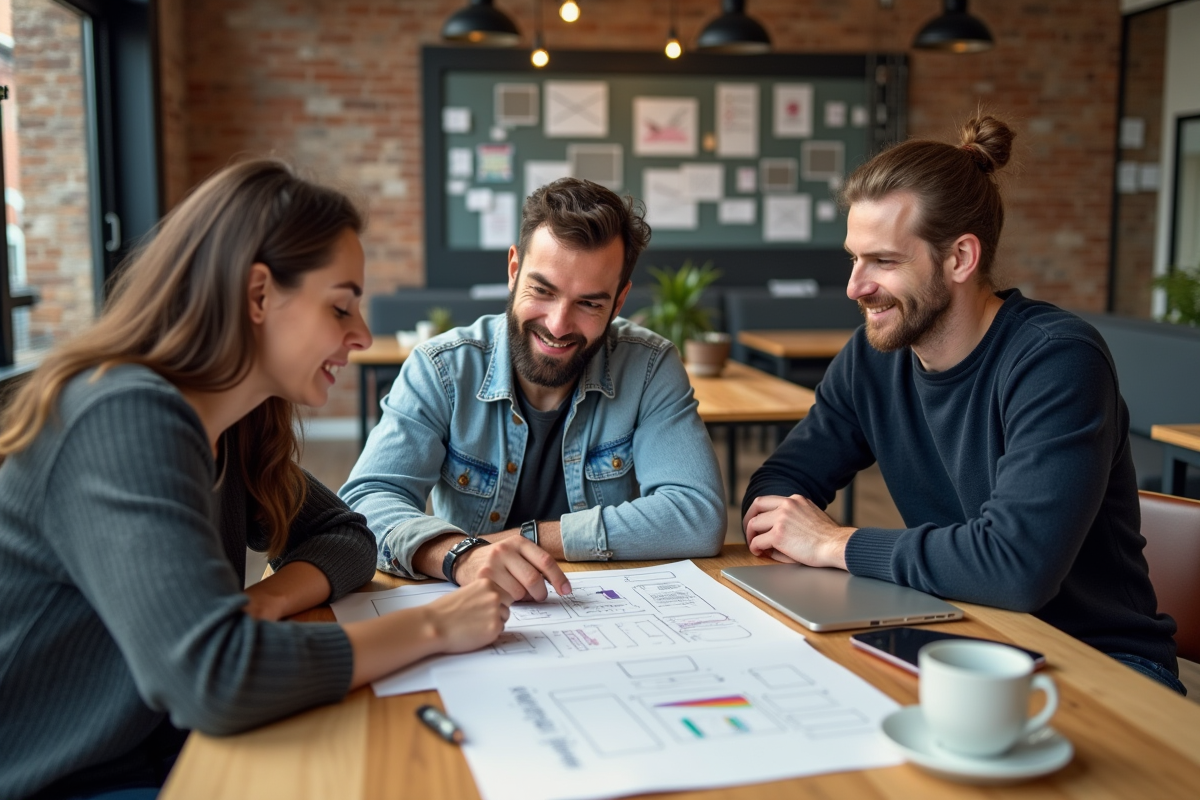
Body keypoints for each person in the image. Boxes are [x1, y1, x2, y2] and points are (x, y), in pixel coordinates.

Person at [0, 160, 513, 800]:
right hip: (62, 779)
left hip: (154, 749)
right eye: (341, 306)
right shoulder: (121, 417)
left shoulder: (231, 426)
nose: (362, 334)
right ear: (259, 294)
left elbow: (345, 532)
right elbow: (215, 677)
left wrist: (266, 602)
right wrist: (435, 627)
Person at [741, 115, 1183, 694]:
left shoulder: (1056, 361)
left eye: (884, 261)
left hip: (1103, 665)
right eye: (853, 257)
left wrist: (831, 543)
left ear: (960, 259)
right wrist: (780, 519)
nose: (855, 286)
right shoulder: (876, 355)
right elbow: (786, 475)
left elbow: (1014, 567)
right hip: (964, 632)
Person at [340, 178, 725, 600]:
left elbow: (697, 515)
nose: (558, 325)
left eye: (590, 304)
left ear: (618, 302)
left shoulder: (650, 367)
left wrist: (527, 538)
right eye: (542, 291)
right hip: (474, 607)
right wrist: (460, 555)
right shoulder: (442, 368)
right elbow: (366, 502)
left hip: (608, 608)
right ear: (513, 269)